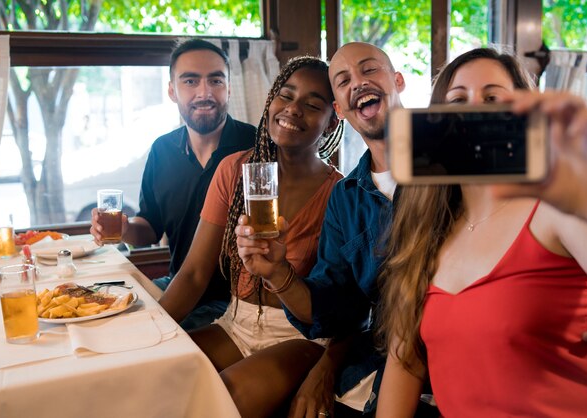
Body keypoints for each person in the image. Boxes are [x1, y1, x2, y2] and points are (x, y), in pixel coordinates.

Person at [376, 48, 587, 417]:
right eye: (458, 100)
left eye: (491, 97)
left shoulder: (554, 209)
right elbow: (403, 361)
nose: (473, 110)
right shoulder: (426, 234)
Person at [161, 55, 344, 418]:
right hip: (235, 323)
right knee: (159, 376)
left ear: (331, 121)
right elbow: (195, 273)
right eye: (285, 96)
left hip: (298, 337)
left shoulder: (340, 192)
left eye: (312, 104)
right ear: (270, 101)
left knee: (224, 400)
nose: (293, 110)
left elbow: (349, 307)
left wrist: (328, 367)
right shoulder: (234, 170)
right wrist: (146, 339)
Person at [236, 42, 407, 416]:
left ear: (397, 81)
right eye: (344, 80)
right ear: (342, 110)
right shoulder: (346, 200)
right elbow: (337, 310)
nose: (358, 82)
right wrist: (278, 273)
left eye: (369, 70)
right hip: (386, 362)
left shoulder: (450, 171)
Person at [90, 39, 256, 330]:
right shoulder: (162, 150)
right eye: (190, 81)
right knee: (98, 316)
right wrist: (125, 229)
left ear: (229, 87)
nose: (204, 92)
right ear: (172, 90)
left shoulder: (256, 147)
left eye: (215, 80)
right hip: (175, 283)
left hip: (236, 300)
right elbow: (150, 229)